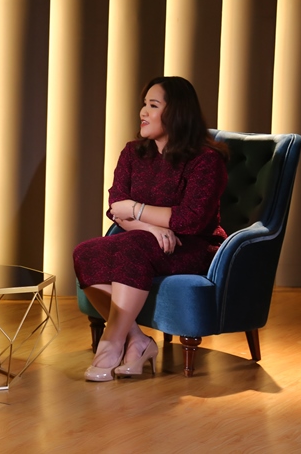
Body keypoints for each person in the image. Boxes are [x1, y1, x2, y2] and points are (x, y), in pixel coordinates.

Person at [73, 76, 229, 382]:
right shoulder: (133, 152)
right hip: (145, 241)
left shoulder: (207, 160)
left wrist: (135, 210)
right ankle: (138, 341)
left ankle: (111, 345)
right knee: (85, 252)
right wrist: (150, 227)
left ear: (177, 112)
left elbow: (190, 220)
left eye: (153, 105)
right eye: (144, 104)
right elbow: (115, 206)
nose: (143, 112)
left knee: (134, 247)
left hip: (191, 247)